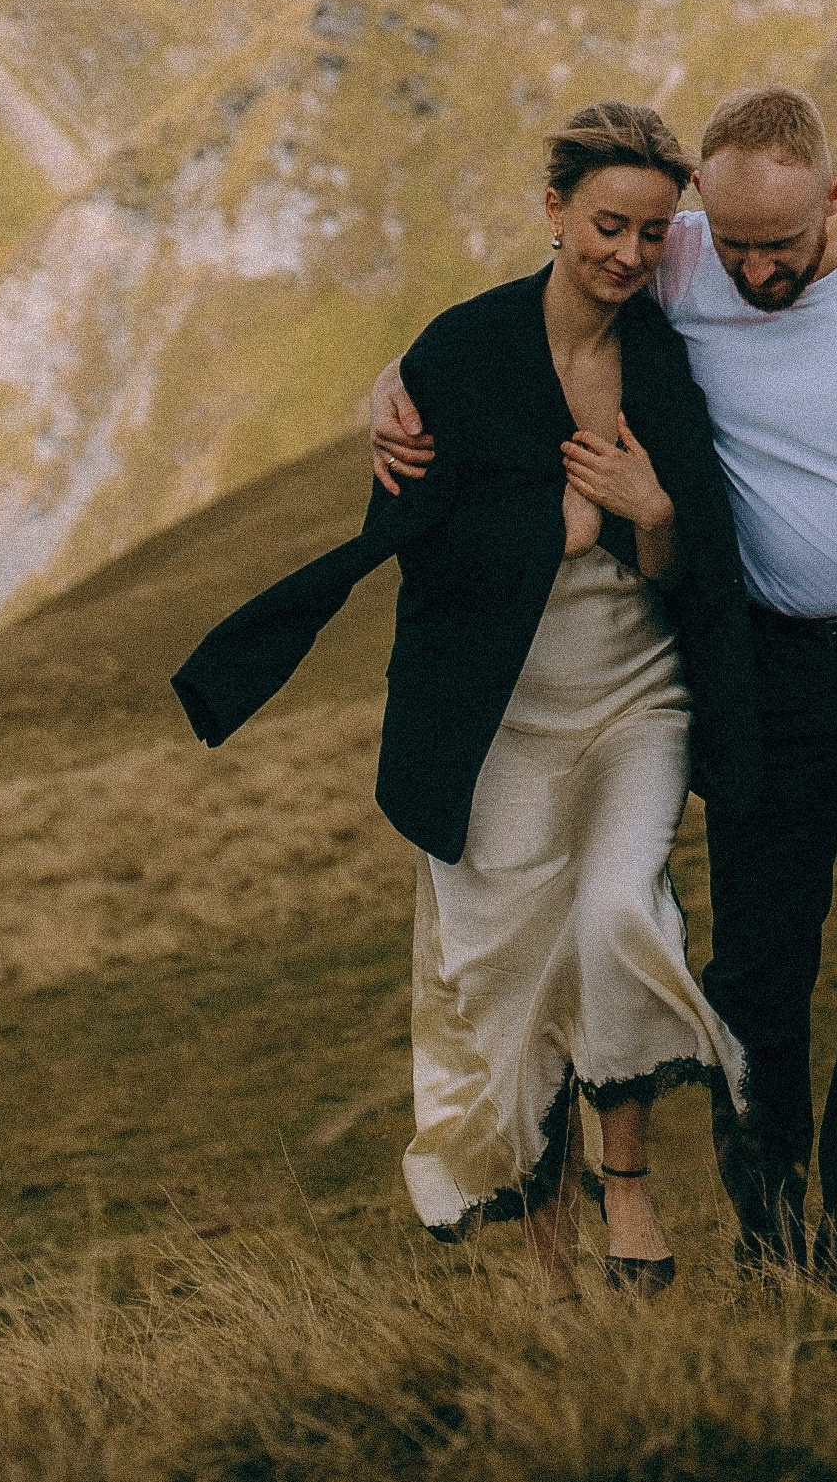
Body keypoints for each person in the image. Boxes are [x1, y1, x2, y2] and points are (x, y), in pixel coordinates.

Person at [372, 83, 837, 1305]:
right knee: (759, 959)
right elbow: (543, 302)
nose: (755, 272)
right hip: (772, 668)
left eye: (783, 248)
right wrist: (391, 387)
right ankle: (771, 1231)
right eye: (736, 246)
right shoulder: (680, 259)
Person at [172, 102, 762, 1302]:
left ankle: (632, 1181)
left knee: (616, 910)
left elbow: (696, 553)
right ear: (553, 213)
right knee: (504, 986)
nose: (630, 257)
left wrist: (651, 516)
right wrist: (554, 522)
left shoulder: (666, 356)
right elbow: (424, 552)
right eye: (608, 226)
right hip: (494, 717)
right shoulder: (460, 352)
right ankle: (548, 1265)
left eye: (655, 234)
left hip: (637, 696)